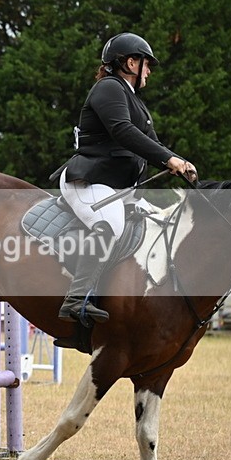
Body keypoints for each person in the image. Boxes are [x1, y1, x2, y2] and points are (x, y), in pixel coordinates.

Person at [53, 32, 197, 326]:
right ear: (130, 62)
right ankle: (76, 299)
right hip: (88, 182)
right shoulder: (108, 88)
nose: (149, 71)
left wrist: (178, 162)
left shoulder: (136, 102)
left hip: (119, 190)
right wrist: (169, 159)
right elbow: (123, 132)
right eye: (146, 64)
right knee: (110, 225)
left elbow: (151, 142)